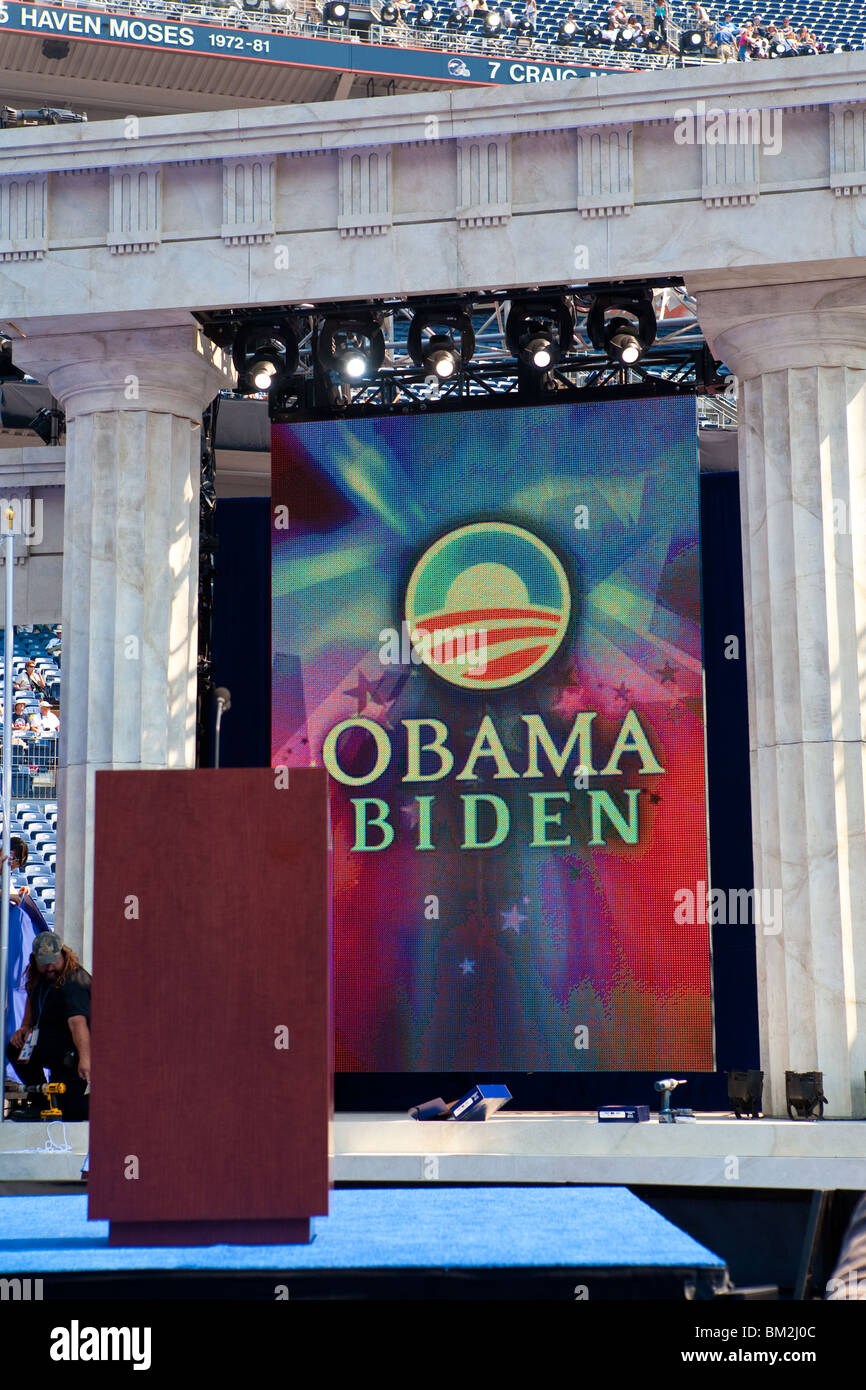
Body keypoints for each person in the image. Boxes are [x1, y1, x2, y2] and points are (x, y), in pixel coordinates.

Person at [7, 932, 90, 1122]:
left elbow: (78, 1023)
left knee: (71, 1112)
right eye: (44, 962)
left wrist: (85, 1060)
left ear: (63, 955)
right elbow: (31, 997)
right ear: (35, 959)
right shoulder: (39, 977)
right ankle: (39, 1102)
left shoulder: (74, 980)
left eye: (54, 961)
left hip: (74, 1049)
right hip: (51, 1044)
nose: (50, 966)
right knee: (15, 1048)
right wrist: (24, 1027)